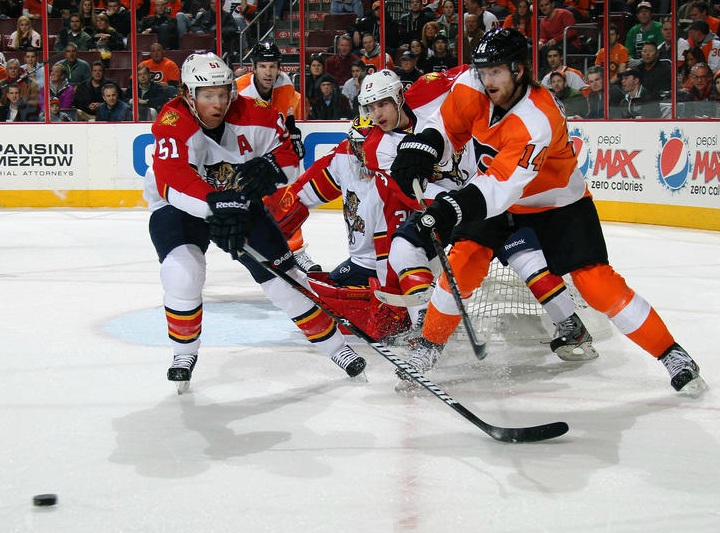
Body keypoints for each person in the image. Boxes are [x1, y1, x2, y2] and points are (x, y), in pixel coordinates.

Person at [389, 28, 706, 396]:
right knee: (462, 262)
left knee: (596, 282)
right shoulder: (470, 84)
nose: (486, 79)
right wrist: (424, 146)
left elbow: (502, 186)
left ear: (518, 69)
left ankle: (672, 354)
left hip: (557, 204)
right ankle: (428, 348)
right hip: (496, 194)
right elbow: (446, 125)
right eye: (482, 70)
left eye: (496, 72)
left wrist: (451, 209)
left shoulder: (538, 119)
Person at [144, 51, 366, 391]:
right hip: (181, 207)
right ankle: (183, 353)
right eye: (207, 95)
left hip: (237, 204)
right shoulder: (171, 121)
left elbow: (290, 156)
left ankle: (336, 348)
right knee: (182, 272)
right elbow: (171, 180)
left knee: (284, 277)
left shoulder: (257, 114)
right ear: (188, 95)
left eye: (223, 93)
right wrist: (215, 208)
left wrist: (272, 169)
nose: (217, 103)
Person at [234, 41, 318, 273]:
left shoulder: (285, 83)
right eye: (263, 66)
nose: (268, 72)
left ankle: (296, 251)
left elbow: (287, 114)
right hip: (246, 146)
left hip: (272, 143)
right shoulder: (239, 89)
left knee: (287, 195)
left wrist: (294, 134)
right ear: (254, 67)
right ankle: (263, 248)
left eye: (272, 66)